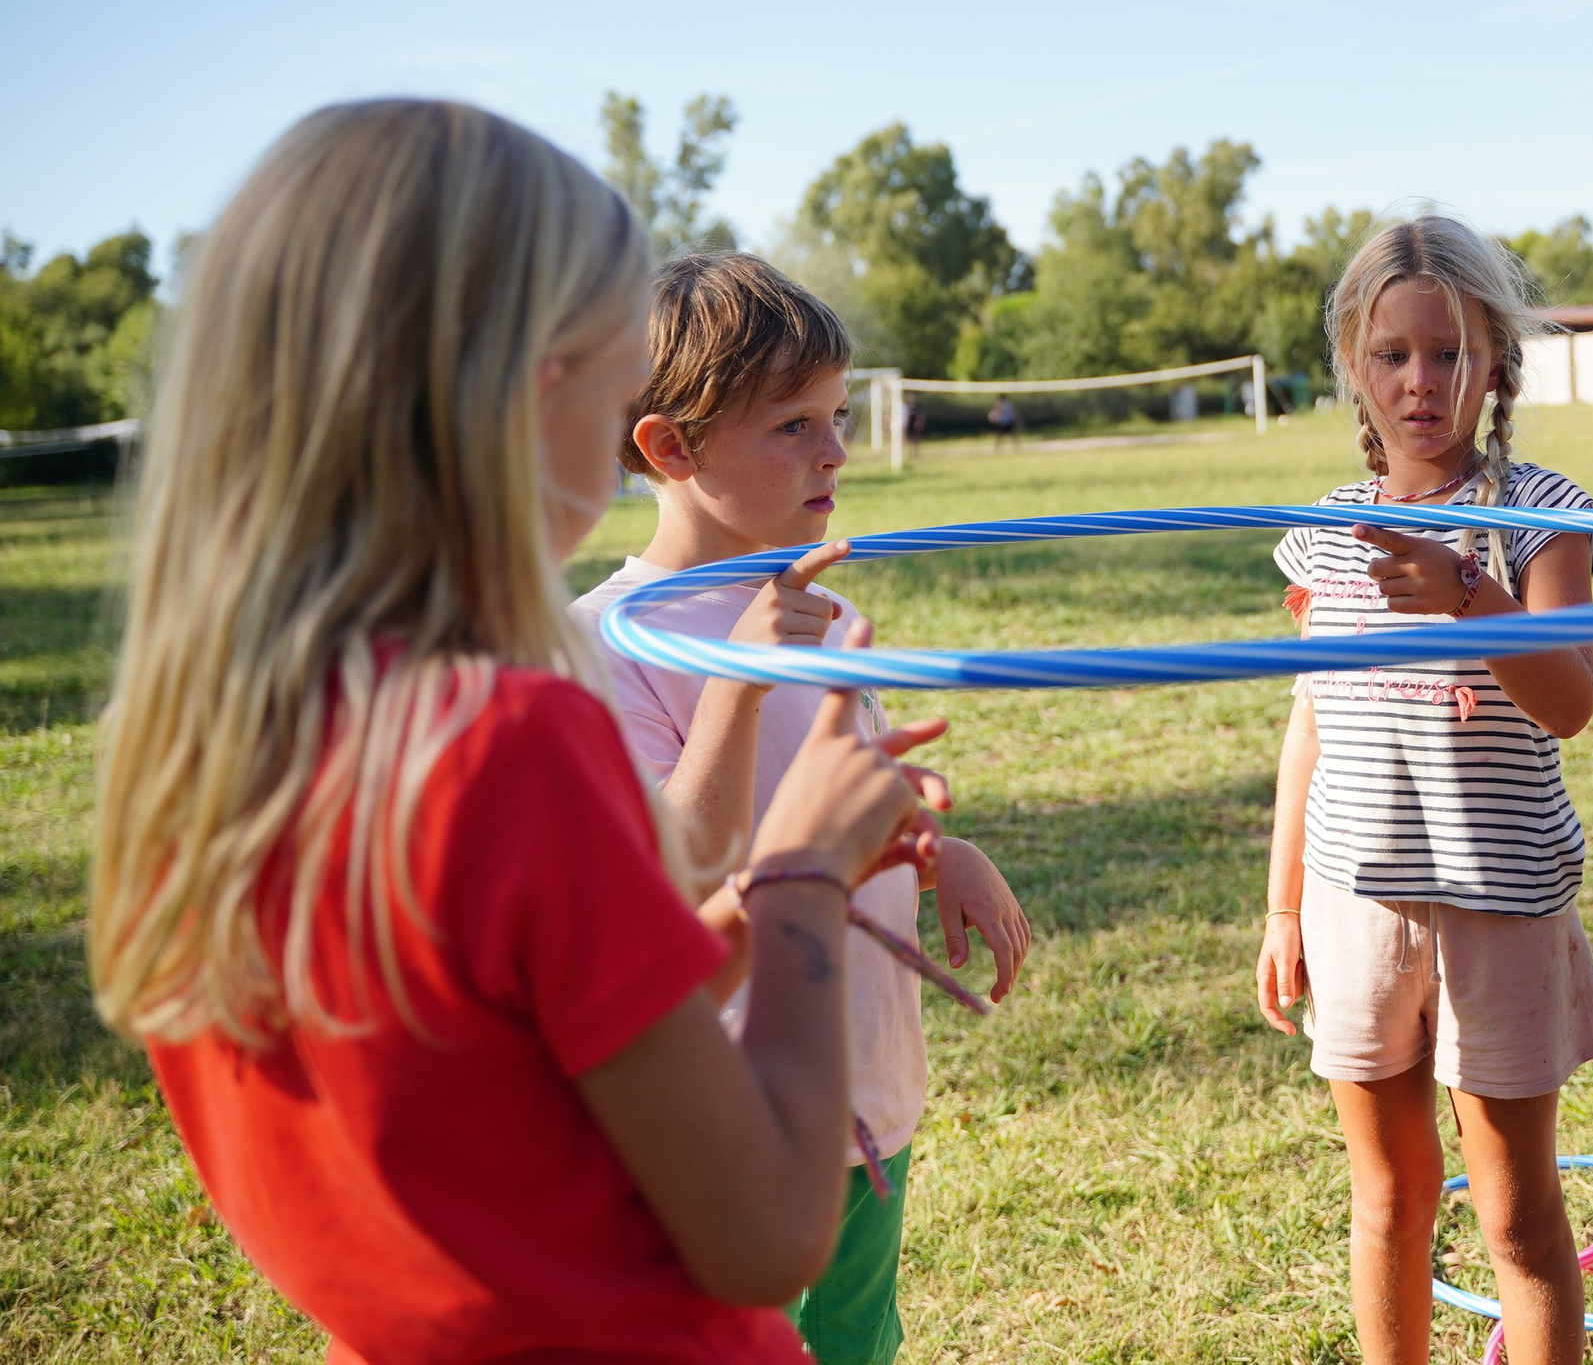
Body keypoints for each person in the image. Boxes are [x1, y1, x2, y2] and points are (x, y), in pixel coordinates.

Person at [89, 100, 951, 1361]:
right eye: (610, 386)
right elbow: (767, 1234)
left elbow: (536, 1042)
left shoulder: (179, 760)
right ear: (518, 398)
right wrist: (802, 878)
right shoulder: (503, 744)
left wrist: (758, 900)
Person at [572, 251, 1031, 1365]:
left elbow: (843, 805)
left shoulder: (828, 613)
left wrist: (934, 848)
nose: (835, 449)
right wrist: (736, 672)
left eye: (835, 414)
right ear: (669, 448)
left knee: (856, 1341)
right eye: (792, 425)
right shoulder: (605, 645)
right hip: (720, 1111)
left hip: (861, 1089)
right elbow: (668, 874)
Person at [1255, 214, 1593, 1365]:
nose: (1421, 383)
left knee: (1513, 1212)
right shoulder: (1322, 537)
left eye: (1450, 353)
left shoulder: (1541, 515)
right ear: (1353, 367)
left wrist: (1470, 591)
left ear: (1496, 363)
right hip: (1357, 905)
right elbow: (1309, 719)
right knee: (1391, 1200)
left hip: (1498, 901)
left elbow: (1566, 699)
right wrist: (1281, 906)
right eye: (1393, 355)